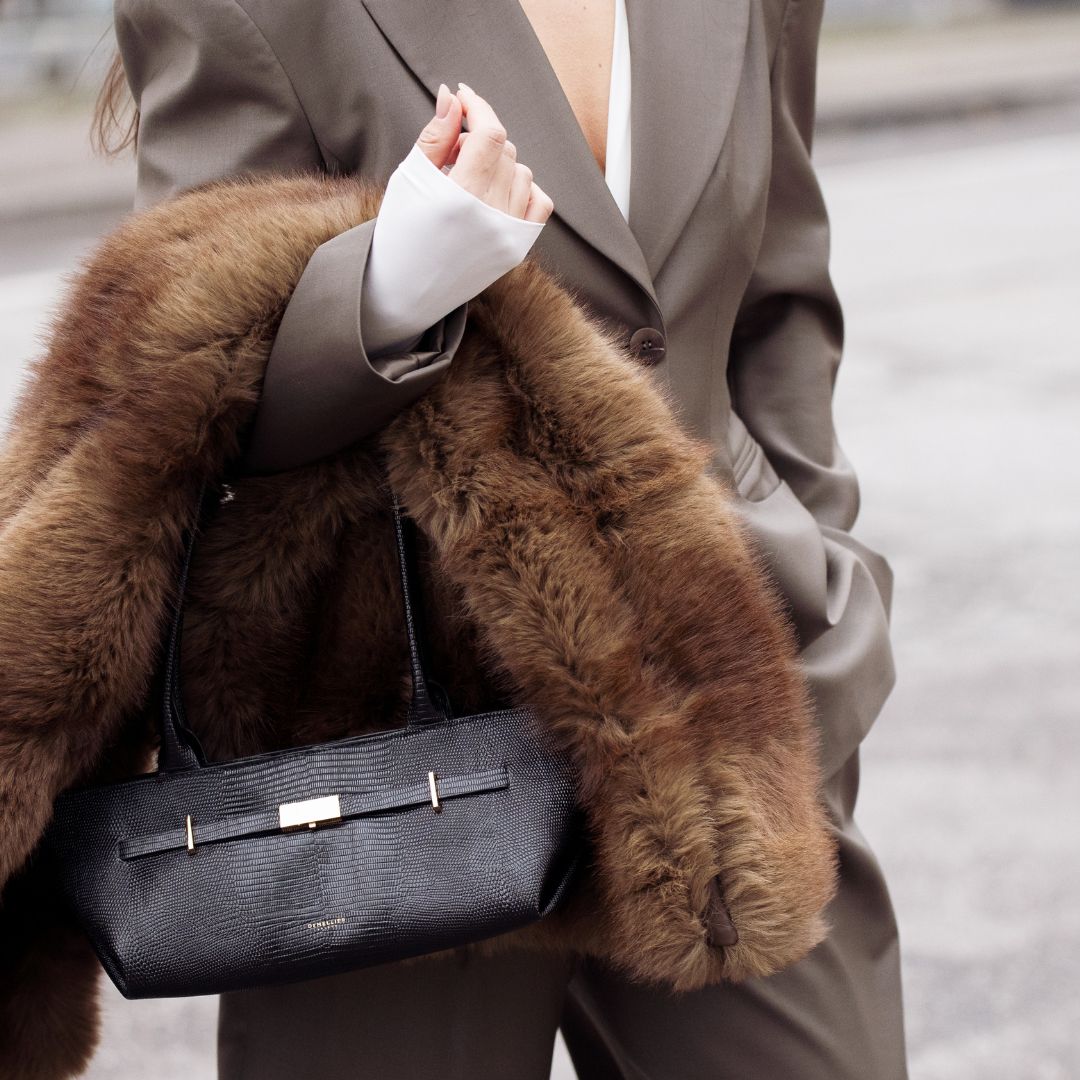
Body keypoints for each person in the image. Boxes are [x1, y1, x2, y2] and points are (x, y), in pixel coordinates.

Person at [90, 0, 910, 1076]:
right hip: (389, 774)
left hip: (714, 717)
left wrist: (823, 578)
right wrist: (397, 284)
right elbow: (173, 390)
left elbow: (777, 308)